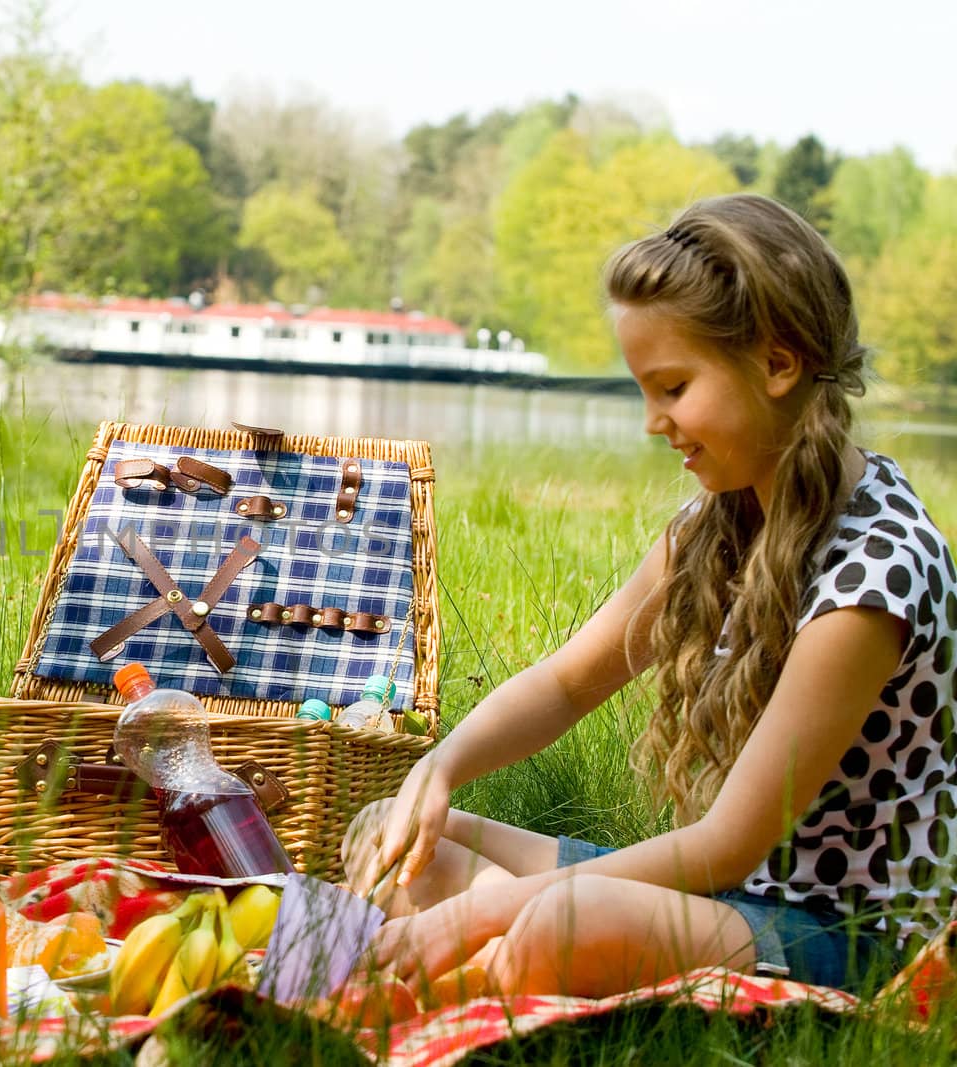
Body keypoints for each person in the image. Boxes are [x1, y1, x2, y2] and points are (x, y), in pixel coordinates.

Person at [346, 193, 955, 997]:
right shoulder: (716, 525)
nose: (652, 421)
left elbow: (727, 845)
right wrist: (440, 766)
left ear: (779, 364)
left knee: (566, 922)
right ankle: (492, 959)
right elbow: (565, 685)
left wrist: (479, 913)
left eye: (672, 386)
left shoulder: (873, 575)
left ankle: (408, 987)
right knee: (390, 834)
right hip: (727, 898)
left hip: (843, 934)